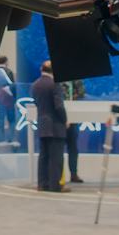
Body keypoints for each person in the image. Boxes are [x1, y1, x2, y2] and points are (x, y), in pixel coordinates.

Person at [29, 61, 67, 192]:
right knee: (56, 157)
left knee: (43, 156)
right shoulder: (55, 84)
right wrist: (65, 120)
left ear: (42, 69)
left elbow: (36, 102)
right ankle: (55, 186)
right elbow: (59, 106)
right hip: (55, 126)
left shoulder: (35, 85)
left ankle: (42, 184)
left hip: (42, 124)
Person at [0, 56, 18, 150]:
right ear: (6, 61)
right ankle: (11, 139)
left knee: (0, 120)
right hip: (8, 99)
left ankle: (0, 140)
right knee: (11, 120)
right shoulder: (8, 72)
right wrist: (15, 98)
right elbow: (13, 86)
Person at [63, 76, 86, 183]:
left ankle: (74, 174)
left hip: (73, 117)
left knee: (73, 148)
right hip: (58, 117)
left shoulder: (76, 79)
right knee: (57, 148)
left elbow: (82, 92)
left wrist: (73, 98)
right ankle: (57, 175)